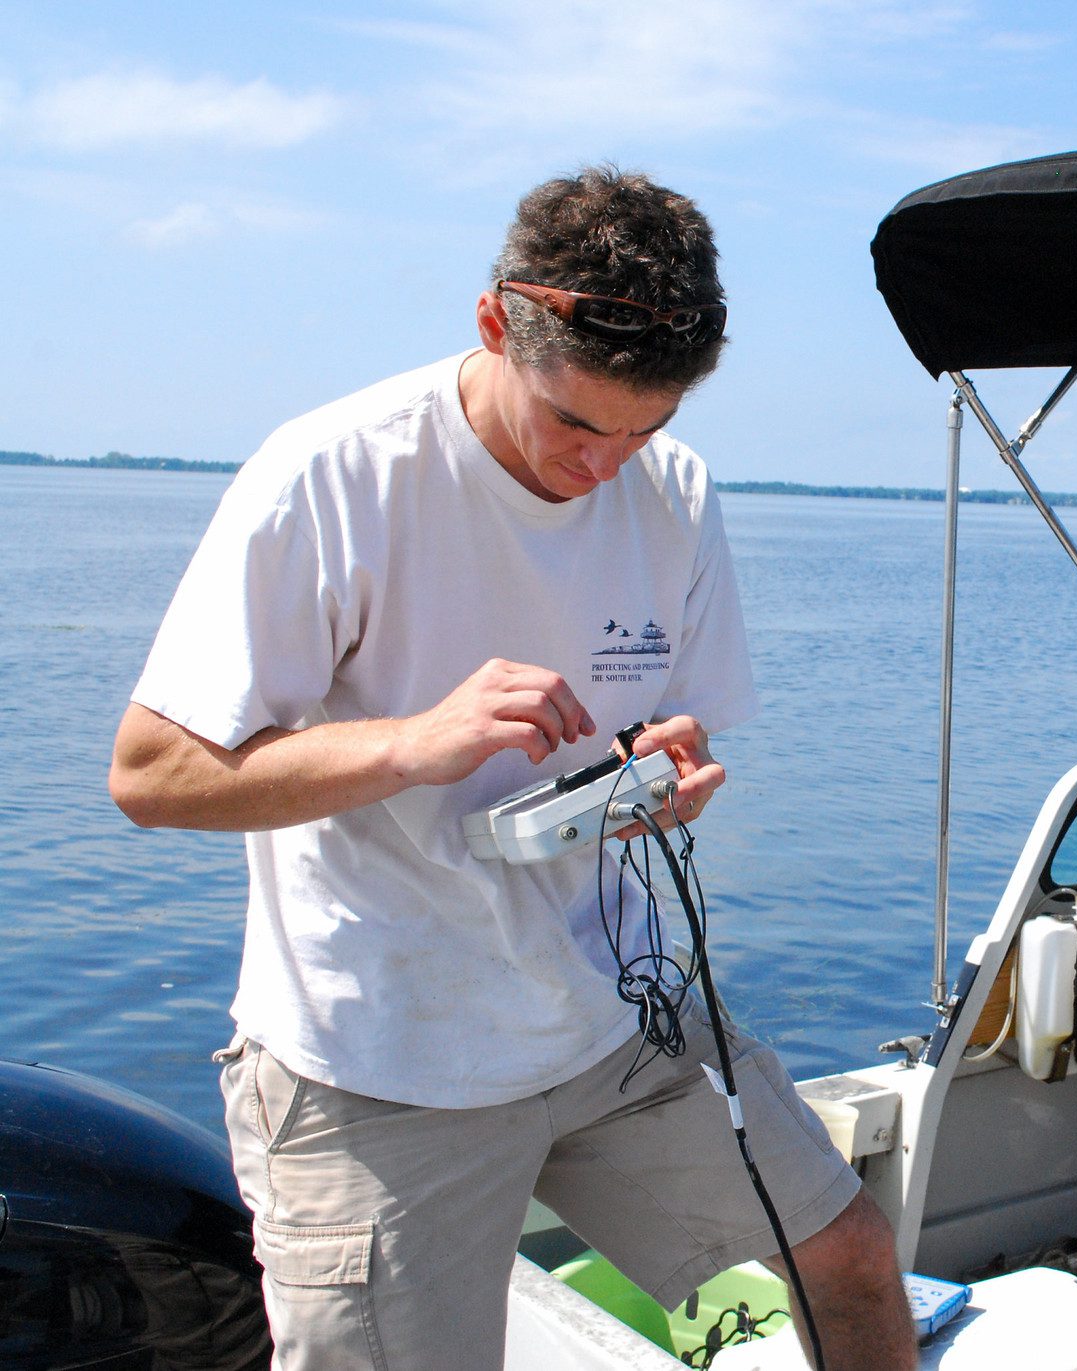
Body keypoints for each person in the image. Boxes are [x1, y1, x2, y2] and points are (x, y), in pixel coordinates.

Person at [108, 167, 916, 1370]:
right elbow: (153, 773)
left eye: (647, 430)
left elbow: (671, 728)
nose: (605, 469)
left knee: (847, 1255)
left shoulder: (670, 491)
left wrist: (661, 776)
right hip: (381, 1064)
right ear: (495, 325)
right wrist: (409, 744)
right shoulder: (333, 473)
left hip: (608, 1016)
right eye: (577, 425)